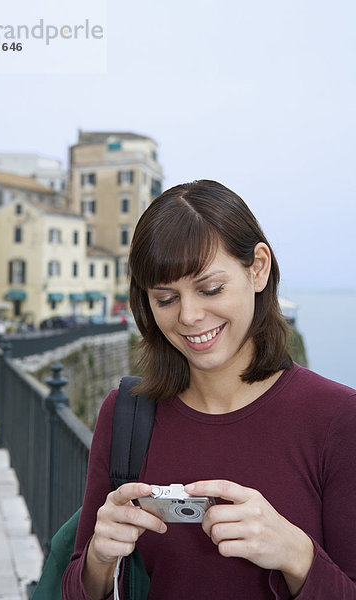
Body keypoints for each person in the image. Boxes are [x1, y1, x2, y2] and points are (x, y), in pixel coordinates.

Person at [62, 180, 356, 599]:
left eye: (210, 289)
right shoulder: (125, 413)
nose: (190, 316)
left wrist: (297, 555)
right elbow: (75, 590)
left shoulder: (339, 419)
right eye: (166, 299)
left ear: (257, 268)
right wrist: (98, 557)